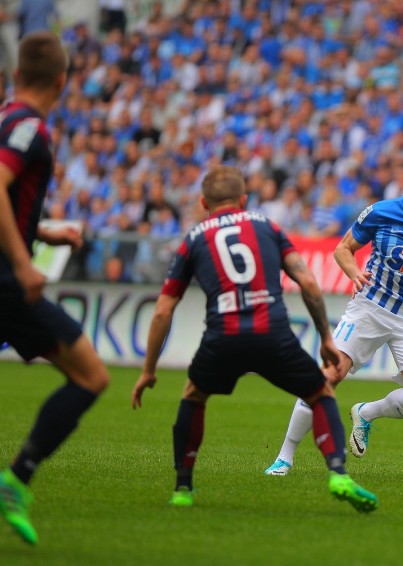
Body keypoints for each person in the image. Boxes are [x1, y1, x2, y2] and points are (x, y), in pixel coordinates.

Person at [130, 165, 377, 513]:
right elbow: (307, 282)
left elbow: (162, 311)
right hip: (272, 334)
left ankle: (183, 488)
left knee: (194, 395)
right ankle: (338, 474)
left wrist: (148, 370)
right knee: (320, 392)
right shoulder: (267, 226)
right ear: (244, 199)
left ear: (203, 202)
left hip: (222, 337)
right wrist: (324, 336)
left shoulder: (194, 238)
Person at [265, 152, 403, 475]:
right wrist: (354, 272)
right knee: (327, 377)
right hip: (369, 308)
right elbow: (343, 248)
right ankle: (284, 457)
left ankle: (367, 413)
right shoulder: (381, 212)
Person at [0, 32, 111, 545]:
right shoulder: (29, 130)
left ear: (14, 75)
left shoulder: (6, 119)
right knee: (90, 376)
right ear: (63, 82)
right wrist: (24, 262)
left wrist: (43, 231)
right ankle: (16, 478)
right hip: (5, 279)